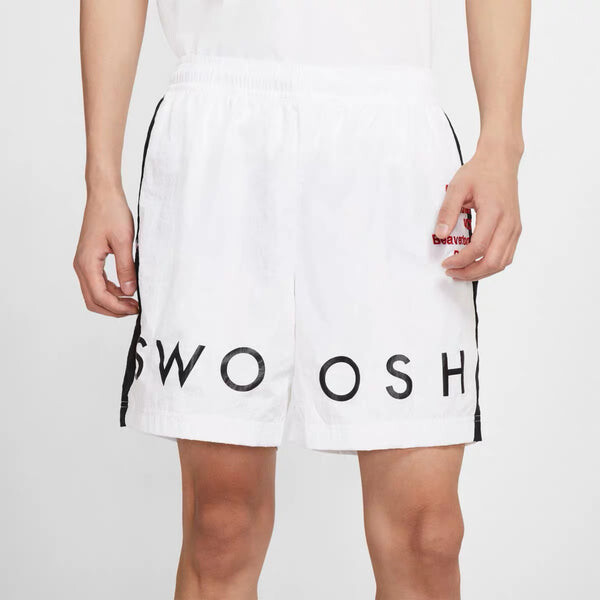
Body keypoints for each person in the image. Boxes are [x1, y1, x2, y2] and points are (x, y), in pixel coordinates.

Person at [74, 0, 530, 598]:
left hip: (393, 134)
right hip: (221, 131)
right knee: (221, 524)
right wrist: (101, 181)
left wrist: (501, 146)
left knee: (428, 535)